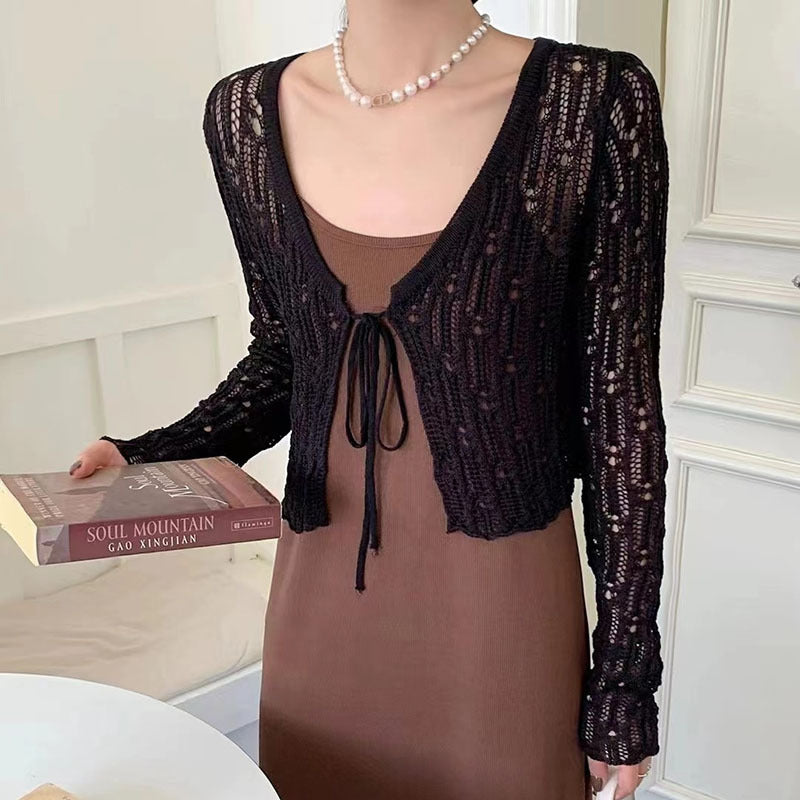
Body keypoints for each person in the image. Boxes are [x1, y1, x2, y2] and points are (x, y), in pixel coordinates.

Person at [69, 1, 669, 798]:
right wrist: (147, 455)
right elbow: (285, 358)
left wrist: (624, 679)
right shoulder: (244, 115)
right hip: (321, 595)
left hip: (500, 611)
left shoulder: (589, 101)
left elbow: (621, 417)